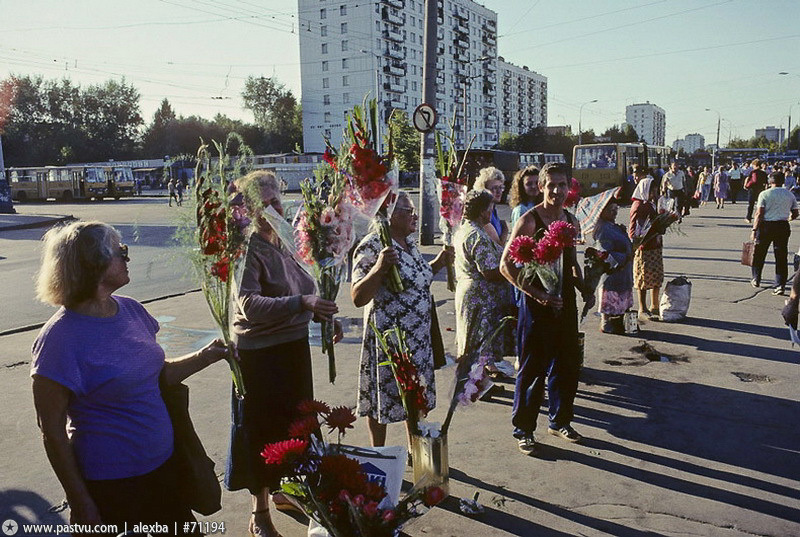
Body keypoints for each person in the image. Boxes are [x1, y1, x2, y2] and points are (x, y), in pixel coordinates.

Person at [31, 221, 231, 535]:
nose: (127, 258)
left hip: (165, 466)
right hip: (113, 486)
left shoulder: (132, 310)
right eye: (120, 251)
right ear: (93, 263)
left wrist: (207, 355)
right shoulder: (59, 340)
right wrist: (80, 499)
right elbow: (51, 432)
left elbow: (156, 375)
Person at [225, 171, 342, 537]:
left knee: (295, 427)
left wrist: (321, 313)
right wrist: (301, 302)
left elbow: (308, 282)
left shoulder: (287, 239)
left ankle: (284, 491)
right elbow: (248, 306)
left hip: (291, 347)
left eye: (277, 199)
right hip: (260, 355)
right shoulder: (246, 247)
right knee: (261, 433)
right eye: (265, 202)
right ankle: (259, 511)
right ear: (248, 209)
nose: (275, 207)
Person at [500, 162, 595, 455]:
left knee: (567, 366)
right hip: (536, 306)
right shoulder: (529, 220)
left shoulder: (569, 220)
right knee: (532, 370)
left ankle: (560, 421)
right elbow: (505, 266)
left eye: (562, 184)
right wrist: (537, 294)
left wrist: (584, 288)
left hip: (564, 302)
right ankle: (524, 429)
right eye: (551, 184)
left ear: (569, 187)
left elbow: (572, 263)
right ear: (541, 186)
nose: (556, 190)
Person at [351, 192, 451, 448]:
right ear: (389, 216)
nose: (414, 215)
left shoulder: (410, 243)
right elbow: (358, 296)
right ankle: (380, 452)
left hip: (417, 338)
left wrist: (438, 263)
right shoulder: (372, 246)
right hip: (389, 338)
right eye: (407, 210)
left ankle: (414, 448)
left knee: (414, 394)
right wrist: (379, 268)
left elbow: (417, 280)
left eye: (413, 209)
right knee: (380, 399)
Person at [455, 190, 513, 378]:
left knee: (478, 340)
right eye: (490, 208)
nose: (492, 212)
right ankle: (478, 385)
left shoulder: (466, 228)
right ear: (482, 212)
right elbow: (489, 272)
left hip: (473, 294)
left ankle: (481, 380)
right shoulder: (477, 236)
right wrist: (513, 271)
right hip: (481, 298)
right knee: (480, 340)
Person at [582, 192, 634, 334]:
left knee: (621, 299)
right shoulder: (603, 229)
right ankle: (606, 322)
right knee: (611, 300)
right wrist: (624, 257)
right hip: (613, 273)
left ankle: (620, 322)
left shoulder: (611, 225)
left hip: (623, 272)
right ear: (602, 211)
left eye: (615, 210)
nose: (614, 213)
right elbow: (604, 253)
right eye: (611, 210)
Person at [750, 172, 799, 295]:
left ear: (770, 181)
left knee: (759, 253)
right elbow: (795, 212)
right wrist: (788, 218)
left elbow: (759, 213)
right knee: (781, 255)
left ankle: (756, 278)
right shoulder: (789, 194)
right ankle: (780, 284)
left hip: (766, 226)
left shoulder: (764, 194)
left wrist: (754, 229)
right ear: (783, 181)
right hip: (782, 225)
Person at [630, 177, 664, 321]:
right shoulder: (638, 206)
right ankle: (642, 308)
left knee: (656, 276)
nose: (655, 192)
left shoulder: (650, 204)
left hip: (655, 247)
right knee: (643, 278)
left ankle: (654, 306)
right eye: (652, 190)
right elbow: (633, 231)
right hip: (645, 248)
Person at [472, 166, 508, 245]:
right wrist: (505, 229)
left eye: (501, 187)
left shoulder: (493, 208)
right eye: (494, 188)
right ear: (483, 189)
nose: (499, 191)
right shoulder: (482, 213)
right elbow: (498, 244)